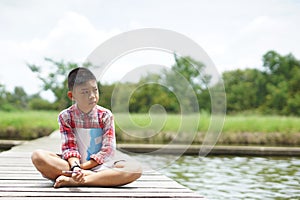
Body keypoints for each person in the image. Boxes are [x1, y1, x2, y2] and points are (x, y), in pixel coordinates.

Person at [31, 67, 142, 188]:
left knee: (135, 168)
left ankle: (78, 180)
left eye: (95, 90)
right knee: (38, 156)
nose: (92, 96)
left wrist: (81, 169)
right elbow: (70, 148)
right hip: (72, 165)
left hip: (102, 166)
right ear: (72, 95)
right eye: (85, 92)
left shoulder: (105, 115)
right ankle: (96, 178)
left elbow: (107, 150)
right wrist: (75, 166)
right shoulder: (66, 116)